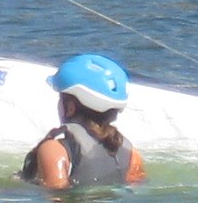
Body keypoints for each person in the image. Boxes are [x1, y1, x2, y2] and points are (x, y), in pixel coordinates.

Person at [21, 53, 147, 189]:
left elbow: (56, 198)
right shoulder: (131, 153)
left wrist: (39, 152)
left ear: (70, 108)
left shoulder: (54, 150)